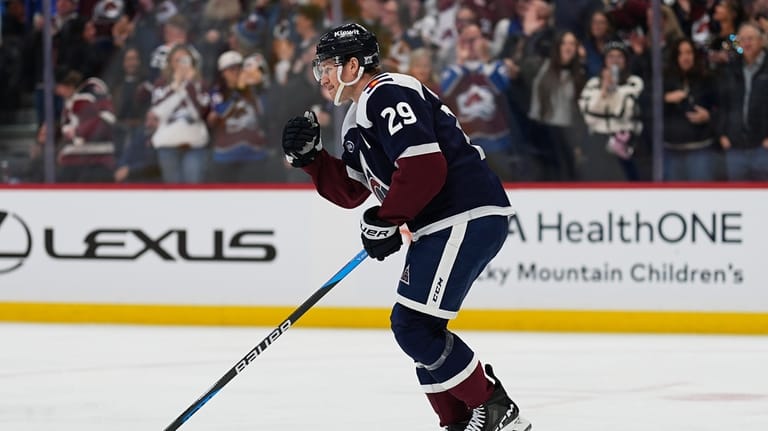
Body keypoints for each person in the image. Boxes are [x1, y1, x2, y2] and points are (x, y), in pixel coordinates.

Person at [280, 23, 531, 431]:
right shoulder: (355, 118)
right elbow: (351, 193)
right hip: (443, 222)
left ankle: (495, 409)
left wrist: (387, 219)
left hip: (463, 213)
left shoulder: (387, 92)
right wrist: (312, 160)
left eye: (327, 66)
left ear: (353, 65)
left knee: (412, 325)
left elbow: (424, 166)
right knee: (418, 328)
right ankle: (460, 419)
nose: (322, 76)